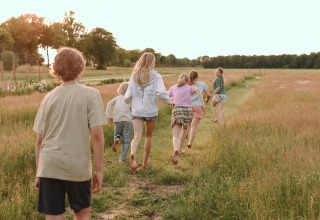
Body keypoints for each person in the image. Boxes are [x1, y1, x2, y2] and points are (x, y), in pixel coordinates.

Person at [33, 47, 106, 219]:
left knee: (53, 216)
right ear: (81, 68)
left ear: (56, 69)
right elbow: (97, 135)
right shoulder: (91, 95)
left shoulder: (48, 98)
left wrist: (39, 172)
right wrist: (99, 170)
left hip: (49, 167)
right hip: (77, 167)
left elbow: (39, 141)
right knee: (81, 215)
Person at [124, 52, 171, 172]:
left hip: (137, 110)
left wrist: (131, 103)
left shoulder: (134, 76)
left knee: (137, 136)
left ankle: (133, 154)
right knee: (148, 136)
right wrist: (168, 101)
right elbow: (161, 92)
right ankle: (145, 162)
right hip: (151, 111)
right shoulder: (157, 76)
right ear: (152, 62)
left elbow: (127, 95)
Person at [168, 73, 205, 165]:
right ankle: (180, 150)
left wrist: (171, 102)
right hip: (188, 110)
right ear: (188, 81)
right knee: (185, 130)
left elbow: (166, 97)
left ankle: (176, 149)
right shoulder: (190, 87)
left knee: (175, 135)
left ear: (179, 79)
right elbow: (198, 90)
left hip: (177, 109)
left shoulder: (173, 87)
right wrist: (202, 103)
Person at [106, 82, 132, 162]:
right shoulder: (130, 99)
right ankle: (122, 158)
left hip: (117, 120)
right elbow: (133, 109)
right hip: (128, 120)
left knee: (117, 134)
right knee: (127, 140)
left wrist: (109, 116)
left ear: (120, 89)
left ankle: (117, 139)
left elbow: (109, 104)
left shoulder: (117, 98)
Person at [186, 70, 211, 148]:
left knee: (188, 125)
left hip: (188, 106)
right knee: (194, 126)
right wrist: (207, 99)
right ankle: (190, 142)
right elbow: (208, 94)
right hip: (198, 107)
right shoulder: (202, 84)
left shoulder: (187, 84)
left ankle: (185, 134)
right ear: (197, 77)